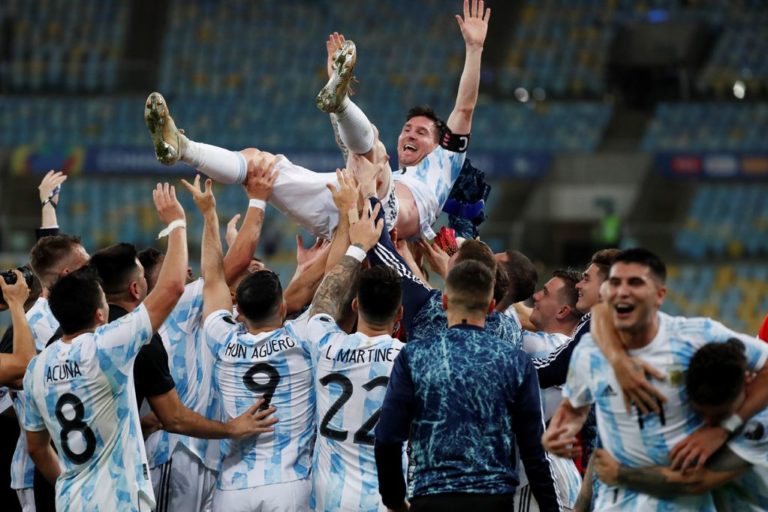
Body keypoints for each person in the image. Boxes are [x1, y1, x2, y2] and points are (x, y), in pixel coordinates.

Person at [143, 0, 489, 242]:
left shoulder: (445, 161)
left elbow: (465, 109)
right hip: (342, 210)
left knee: (374, 153)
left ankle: (340, 103)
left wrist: (474, 49)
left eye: (422, 131)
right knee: (260, 164)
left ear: (440, 143)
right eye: (408, 128)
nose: (411, 134)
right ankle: (182, 148)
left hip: (384, 211)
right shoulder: (391, 170)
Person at [542, 248, 768, 511]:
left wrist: (722, 429)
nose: (623, 291)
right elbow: (605, 435)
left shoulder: (696, 339)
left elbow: (696, 481)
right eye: (615, 283)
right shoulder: (593, 352)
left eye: (635, 283)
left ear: (660, 295)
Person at [21, 184, 189, 511]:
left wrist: (70, 487)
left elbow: (37, 448)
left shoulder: (36, 369)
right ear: (100, 313)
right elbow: (173, 286)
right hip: (119, 499)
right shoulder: (106, 347)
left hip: (71, 501)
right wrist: (177, 223)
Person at [139, 161, 278, 512]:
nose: (186, 271)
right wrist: (256, 200)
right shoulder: (176, 306)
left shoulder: (190, 318)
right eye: (174, 269)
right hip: (180, 452)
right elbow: (229, 267)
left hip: (205, 451)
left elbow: (235, 276)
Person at [375, 260, 561, 512]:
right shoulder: (515, 361)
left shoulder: (415, 356)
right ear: (492, 306)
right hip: (493, 499)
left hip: (431, 495)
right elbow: (534, 449)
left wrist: (394, 500)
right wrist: (550, 508)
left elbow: (387, 437)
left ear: (444, 301)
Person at [191, 177, 313, 511]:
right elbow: (329, 280)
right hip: (289, 484)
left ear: (238, 310)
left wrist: (208, 215)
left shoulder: (220, 336)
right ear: (284, 307)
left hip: (232, 486)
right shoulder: (301, 338)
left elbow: (214, 277)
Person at [302, 184, 403, 511]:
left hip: (330, 495)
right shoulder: (410, 359)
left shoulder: (326, 344)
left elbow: (325, 301)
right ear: (399, 315)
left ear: (357, 305)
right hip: (385, 500)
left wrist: (358, 247)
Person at [592, 339, 768, 511]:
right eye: (700, 414)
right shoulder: (702, 383)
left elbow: (697, 481)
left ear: (747, 382)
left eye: (718, 416)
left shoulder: (761, 423)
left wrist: (620, 474)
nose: (707, 424)